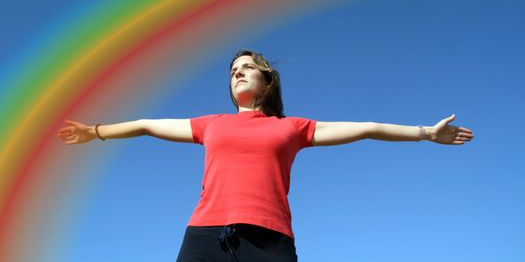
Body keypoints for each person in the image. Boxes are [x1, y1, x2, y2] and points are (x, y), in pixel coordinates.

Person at [58, 49, 474, 262]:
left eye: (246, 67)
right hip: (205, 236)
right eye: (232, 70)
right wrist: (95, 132)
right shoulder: (211, 123)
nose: (237, 72)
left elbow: (365, 128)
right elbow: (148, 124)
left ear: (267, 79)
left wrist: (424, 133)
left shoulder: (292, 128)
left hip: (270, 240)